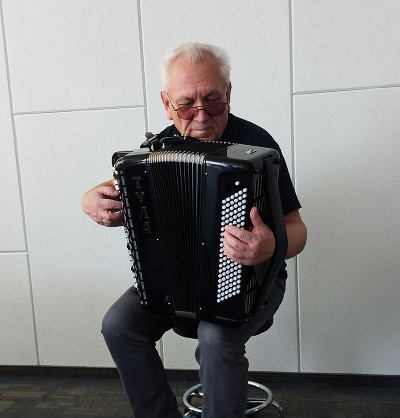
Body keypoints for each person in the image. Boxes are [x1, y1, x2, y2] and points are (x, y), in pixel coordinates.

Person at [82, 43, 307, 418]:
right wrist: (91, 199)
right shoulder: (159, 148)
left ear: (228, 93)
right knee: (118, 325)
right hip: (175, 280)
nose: (201, 116)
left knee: (215, 337)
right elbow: (118, 183)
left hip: (254, 280)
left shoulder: (259, 145)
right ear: (167, 103)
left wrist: (270, 246)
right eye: (186, 104)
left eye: (213, 101)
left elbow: (296, 229)